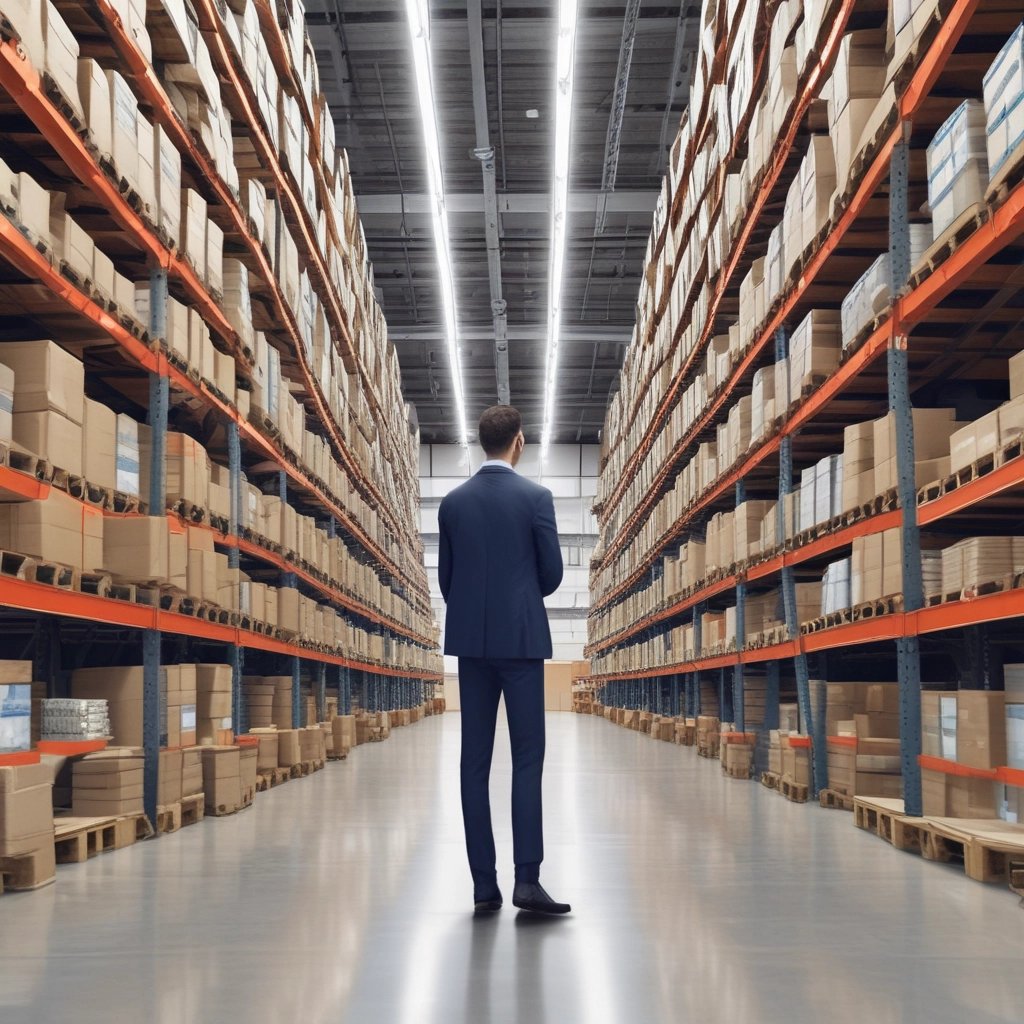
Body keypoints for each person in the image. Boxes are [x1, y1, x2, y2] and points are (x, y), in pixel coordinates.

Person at [438, 405, 570, 916]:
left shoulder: (452, 504)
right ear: (519, 442)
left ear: (480, 443)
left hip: (471, 644)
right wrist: (519, 596)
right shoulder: (536, 498)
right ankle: (528, 882)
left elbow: (447, 581)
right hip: (521, 643)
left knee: (473, 763)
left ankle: (483, 885)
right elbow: (553, 574)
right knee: (526, 760)